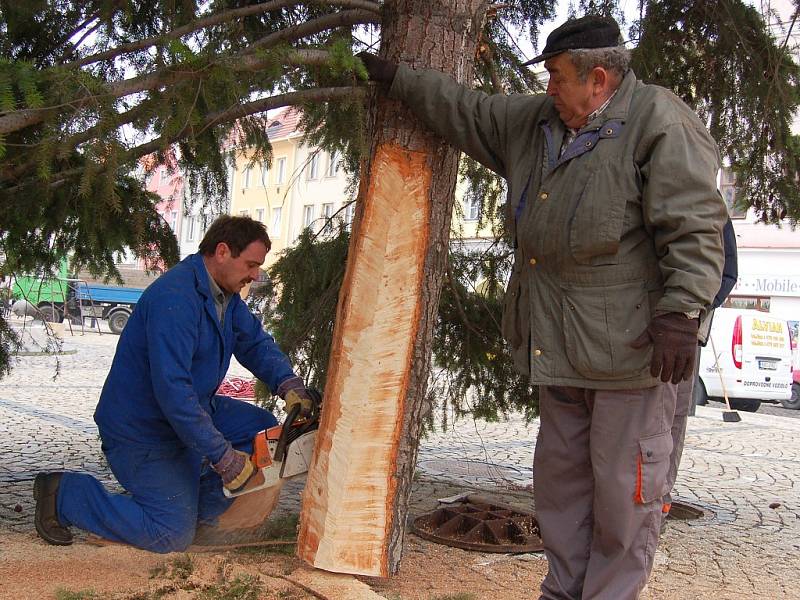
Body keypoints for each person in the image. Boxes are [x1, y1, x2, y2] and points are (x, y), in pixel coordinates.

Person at [359, 14, 727, 599]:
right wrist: (395, 76)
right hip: (557, 348)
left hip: (633, 359)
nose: (548, 88)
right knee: (560, 493)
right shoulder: (536, 122)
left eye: (557, 77)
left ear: (598, 79)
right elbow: (466, 109)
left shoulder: (657, 119)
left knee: (625, 499)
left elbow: (695, 225)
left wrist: (684, 314)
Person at [33, 215, 314, 553]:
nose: (255, 275)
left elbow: (254, 343)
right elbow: (173, 392)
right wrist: (224, 458)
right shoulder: (176, 299)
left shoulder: (223, 296)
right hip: (143, 430)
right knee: (169, 534)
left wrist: (288, 384)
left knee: (262, 433)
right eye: (251, 264)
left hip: (190, 409)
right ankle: (65, 493)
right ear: (222, 251)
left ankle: (201, 515)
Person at [663, 218, 738, 523]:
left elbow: (728, 273)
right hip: (633, 327)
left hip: (683, 333)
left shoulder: (708, 199)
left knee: (672, 418)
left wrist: (690, 312)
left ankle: (658, 505)